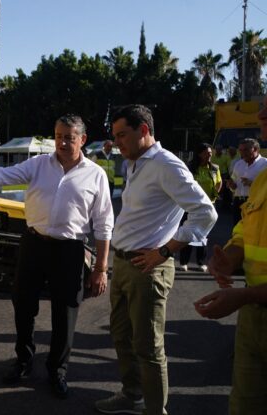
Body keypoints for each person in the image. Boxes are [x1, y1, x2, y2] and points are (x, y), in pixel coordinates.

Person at [0, 114, 113, 399]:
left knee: (66, 312)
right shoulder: (38, 165)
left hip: (70, 251)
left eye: (69, 137)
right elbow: (6, 175)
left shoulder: (95, 174)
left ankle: (57, 371)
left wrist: (101, 267)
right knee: (23, 306)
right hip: (33, 245)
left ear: (82, 140)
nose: (62, 142)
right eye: (58, 136)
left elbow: (104, 222)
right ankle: (23, 361)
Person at [95, 105, 217, 415]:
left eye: (123, 135)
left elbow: (206, 213)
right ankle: (131, 395)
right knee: (121, 336)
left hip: (147, 268)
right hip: (123, 265)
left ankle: (154, 410)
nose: (118, 142)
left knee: (148, 348)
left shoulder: (166, 165)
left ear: (144, 131)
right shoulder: (135, 162)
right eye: (115, 136)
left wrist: (165, 251)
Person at [194, 104, 267, 414]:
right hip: (254, 314)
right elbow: (245, 227)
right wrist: (231, 257)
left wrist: (244, 295)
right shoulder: (265, 178)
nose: (261, 116)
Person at [179, 143, 222, 272]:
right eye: (206, 152)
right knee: (188, 232)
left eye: (210, 152)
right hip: (192, 206)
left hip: (209, 206)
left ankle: (200, 262)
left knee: (203, 234)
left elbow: (219, 182)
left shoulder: (214, 168)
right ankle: (183, 261)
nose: (210, 154)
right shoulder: (190, 168)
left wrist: (215, 193)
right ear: (199, 154)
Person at [227, 138, 267, 224]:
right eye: (240, 150)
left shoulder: (265, 164)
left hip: (255, 203)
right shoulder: (238, 164)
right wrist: (232, 185)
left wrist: (253, 184)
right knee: (237, 230)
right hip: (238, 202)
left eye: (246, 150)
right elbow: (233, 182)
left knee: (252, 230)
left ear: (255, 149)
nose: (242, 153)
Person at [211, 145, 233, 209]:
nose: (218, 151)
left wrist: (229, 176)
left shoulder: (225, 157)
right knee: (215, 189)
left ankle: (226, 205)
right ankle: (215, 202)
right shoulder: (212, 157)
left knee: (225, 190)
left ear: (221, 150)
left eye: (219, 150)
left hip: (224, 175)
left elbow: (229, 166)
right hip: (214, 174)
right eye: (217, 150)